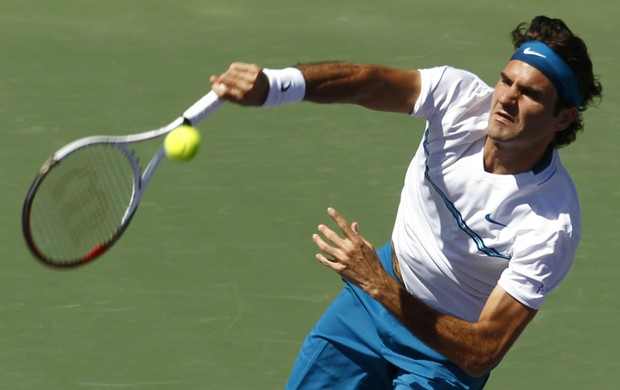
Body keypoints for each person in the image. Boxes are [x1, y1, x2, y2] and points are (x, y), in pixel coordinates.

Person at [209, 15, 602, 389]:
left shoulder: (551, 223)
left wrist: (378, 284)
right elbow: (368, 82)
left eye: (530, 93)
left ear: (563, 118)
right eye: (506, 81)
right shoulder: (458, 99)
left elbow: (483, 351)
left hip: (443, 356)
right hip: (369, 307)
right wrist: (276, 86)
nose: (506, 99)